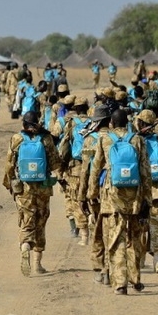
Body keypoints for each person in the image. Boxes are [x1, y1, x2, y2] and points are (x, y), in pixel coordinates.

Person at [88, 109, 152, 295]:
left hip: (112, 198)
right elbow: (145, 172)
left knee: (116, 240)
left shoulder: (104, 139)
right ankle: (136, 279)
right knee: (134, 238)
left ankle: (120, 283)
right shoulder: (138, 140)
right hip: (135, 198)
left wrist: (91, 194)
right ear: (128, 123)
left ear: (111, 124)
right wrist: (147, 199)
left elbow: (96, 167)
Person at [2, 111, 61, 276]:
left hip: (24, 188)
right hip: (42, 187)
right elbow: (55, 162)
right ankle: (37, 264)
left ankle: (25, 245)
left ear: (23, 124)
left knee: (27, 219)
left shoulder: (17, 139)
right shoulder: (46, 139)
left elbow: (9, 165)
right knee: (41, 222)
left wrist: (9, 184)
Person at [78, 105, 112, 284]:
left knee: (98, 230)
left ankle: (100, 269)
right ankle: (110, 268)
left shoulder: (90, 140)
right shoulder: (117, 138)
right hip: (115, 193)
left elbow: (86, 171)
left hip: (97, 193)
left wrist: (83, 196)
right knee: (112, 230)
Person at [134, 109, 158, 273]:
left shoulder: (135, 141)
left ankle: (140, 260)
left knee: (140, 224)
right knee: (157, 225)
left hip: (140, 190)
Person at [58, 96, 90, 245]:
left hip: (76, 168)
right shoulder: (95, 123)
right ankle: (92, 220)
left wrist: (61, 168)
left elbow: (64, 148)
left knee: (75, 199)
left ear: (76, 110)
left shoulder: (71, 124)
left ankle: (82, 234)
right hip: (92, 165)